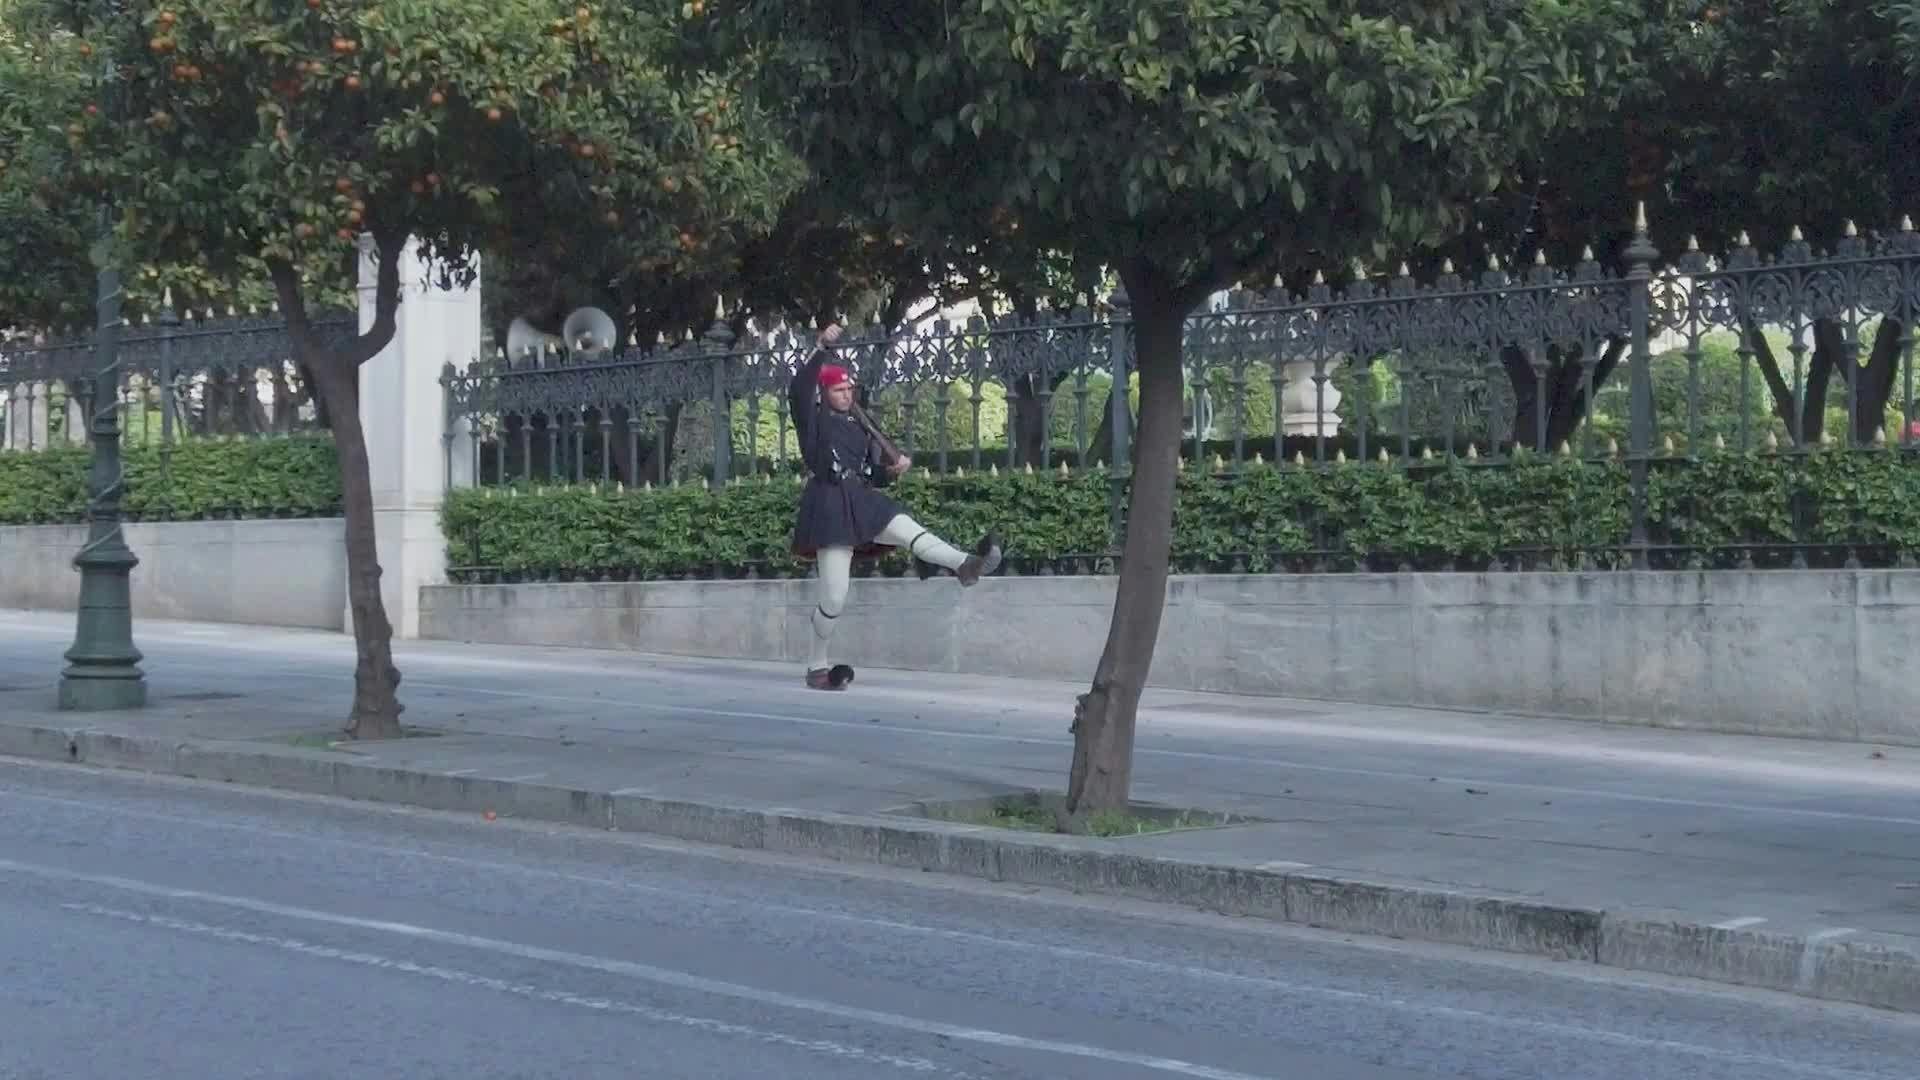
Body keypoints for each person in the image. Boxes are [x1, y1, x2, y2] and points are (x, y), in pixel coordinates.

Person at [788, 322, 1001, 691]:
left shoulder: (858, 424)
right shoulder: (811, 422)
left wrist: (890, 470)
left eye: (849, 388)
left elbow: (870, 472)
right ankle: (816, 666)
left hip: (862, 498)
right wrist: (820, 347)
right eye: (838, 389)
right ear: (824, 392)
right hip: (830, 505)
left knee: (909, 531)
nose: (846, 394)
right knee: (834, 597)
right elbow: (798, 389)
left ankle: (965, 564)